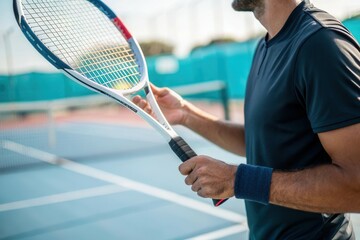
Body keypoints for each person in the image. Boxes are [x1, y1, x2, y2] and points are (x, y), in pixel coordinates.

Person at [133, 0, 360, 239]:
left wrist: (238, 180)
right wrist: (186, 114)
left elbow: (357, 186)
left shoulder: (321, 44)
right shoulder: (265, 46)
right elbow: (263, 141)